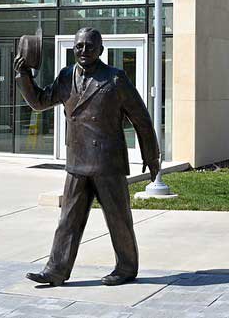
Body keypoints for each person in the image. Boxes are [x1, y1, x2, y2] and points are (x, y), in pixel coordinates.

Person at [14, 27, 160, 287]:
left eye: (90, 46)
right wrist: (24, 75)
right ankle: (56, 270)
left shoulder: (115, 79)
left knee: (118, 219)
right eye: (79, 46)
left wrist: (151, 155)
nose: (84, 51)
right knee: (68, 220)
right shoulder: (66, 76)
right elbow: (38, 102)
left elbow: (141, 118)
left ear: (101, 50)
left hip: (108, 163)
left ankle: (126, 267)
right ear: (73, 48)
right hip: (77, 161)